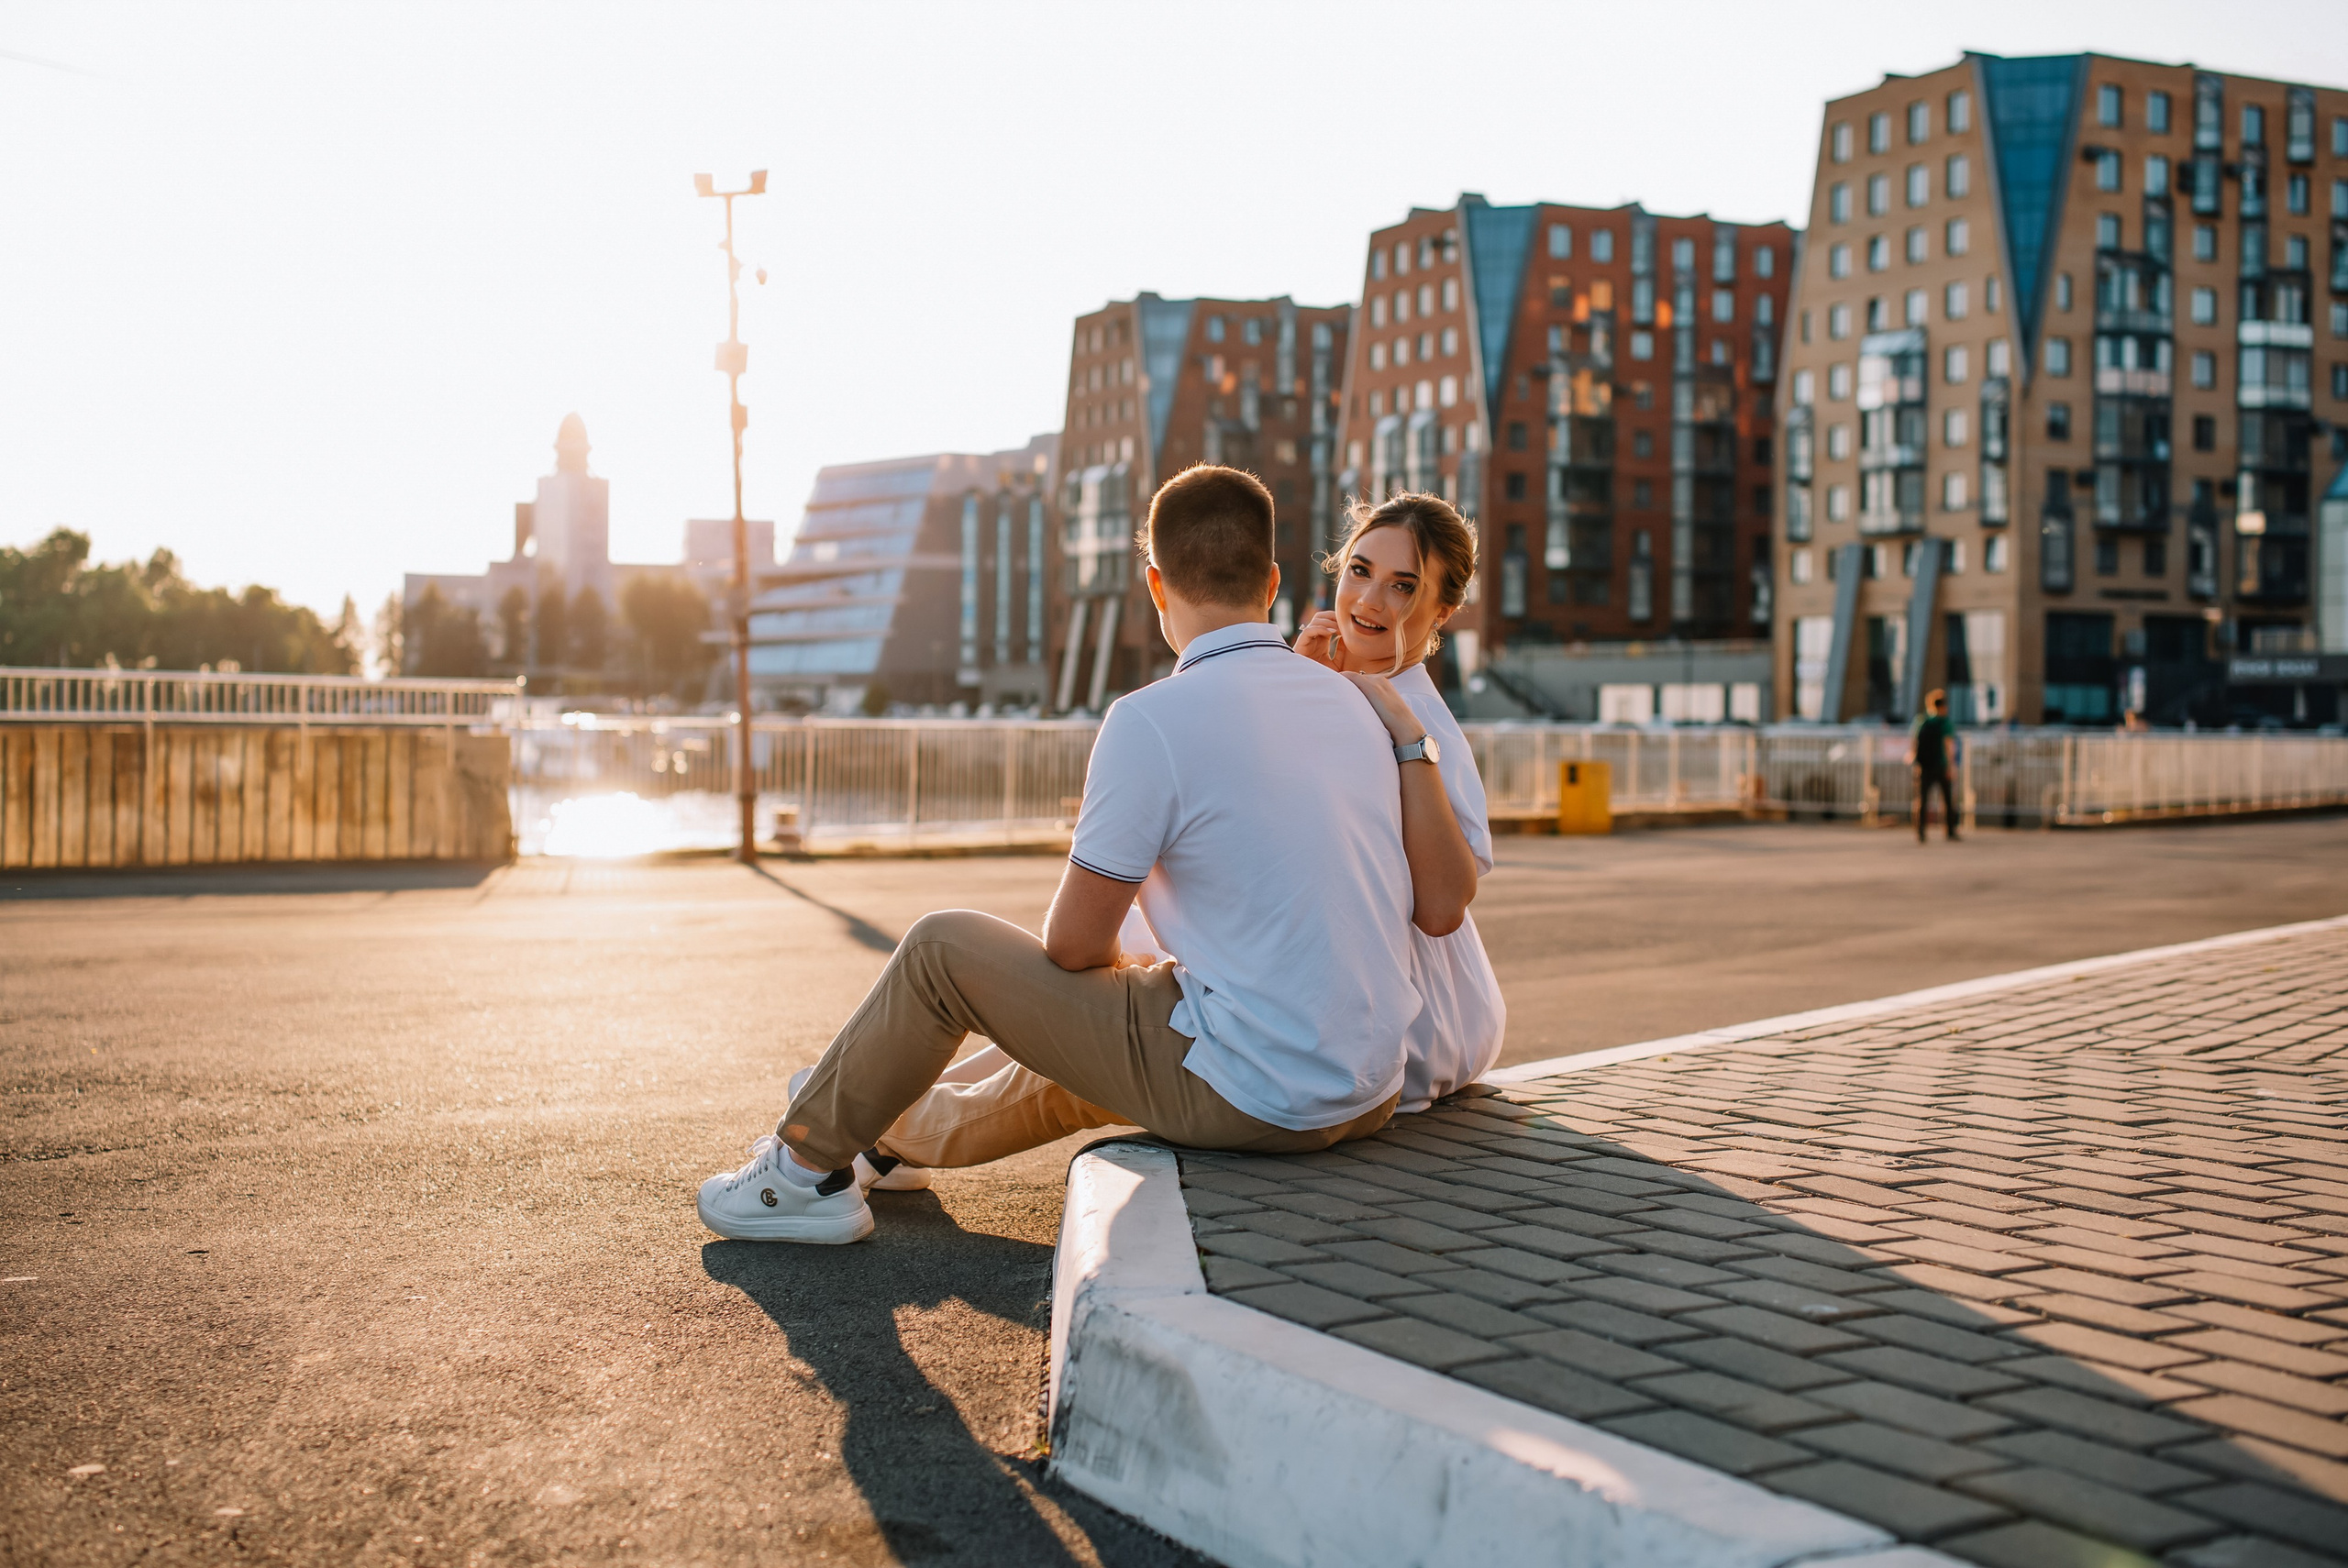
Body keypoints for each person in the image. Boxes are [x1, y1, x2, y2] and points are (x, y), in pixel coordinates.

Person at [694, 465, 1423, 1243]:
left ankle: (800, 1173)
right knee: (1088, 1060)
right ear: (1272, 582)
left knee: (941, 950)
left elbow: (1074, 947)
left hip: (1256, 1094)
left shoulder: (1152, 719)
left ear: (1155, 585)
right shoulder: (1354, 705)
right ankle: (873, 1134)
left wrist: (1112, 975)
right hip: (1365, 1090)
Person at [1291, 492, 1504, 1110]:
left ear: (1443, 611)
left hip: (1420, 1021)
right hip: (1350, 998)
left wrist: (1408, 740)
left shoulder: (1418, 720)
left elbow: (1441, 908)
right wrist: (1298, 686)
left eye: (1403, 587)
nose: (1368, 601)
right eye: (1360, 571)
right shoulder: (1328, 686)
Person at [1909, 688, 1960, 844]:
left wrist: (1915, 761)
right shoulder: (1945, 723)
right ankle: (1950, 831)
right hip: (1941, 765)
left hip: (1924, 765)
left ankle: (1920, 832)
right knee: (1947, 799)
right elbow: (1949, 746)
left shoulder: (1921, 720)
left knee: (1922, 799)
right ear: (1943, 706)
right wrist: (1951, 766)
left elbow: (1914, 742)